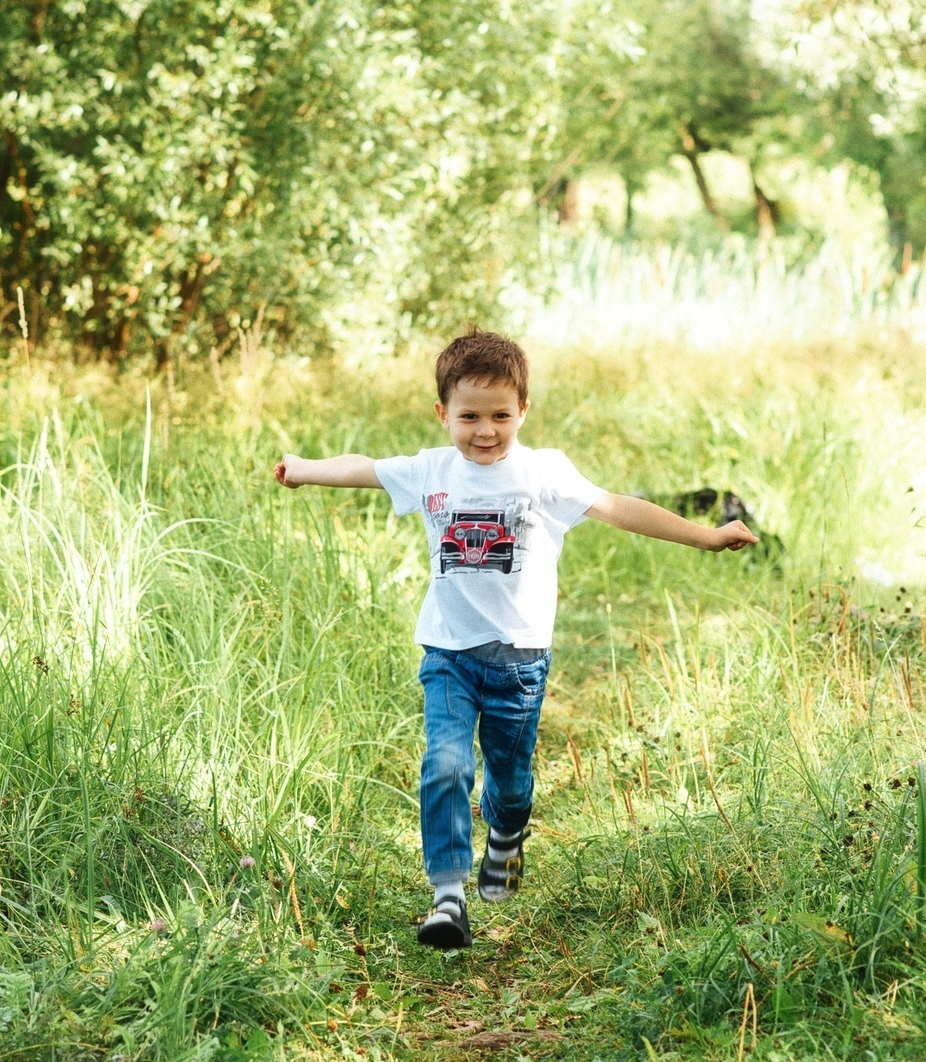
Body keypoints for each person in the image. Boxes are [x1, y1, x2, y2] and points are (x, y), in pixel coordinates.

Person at [273, 330, 758, 950]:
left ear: (522, 411)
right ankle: (447, 898)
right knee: (446, 765)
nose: (484, 430)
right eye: (469, 415)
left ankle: (505, 836)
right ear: (442, 413)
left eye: (500, 415)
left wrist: (705, 535)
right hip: (448, 653)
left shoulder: (543, 473)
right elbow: (362, 468)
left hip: (520, 662)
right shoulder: (430, 470)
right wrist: (304, 471)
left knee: (511, 780)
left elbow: (619, 508)